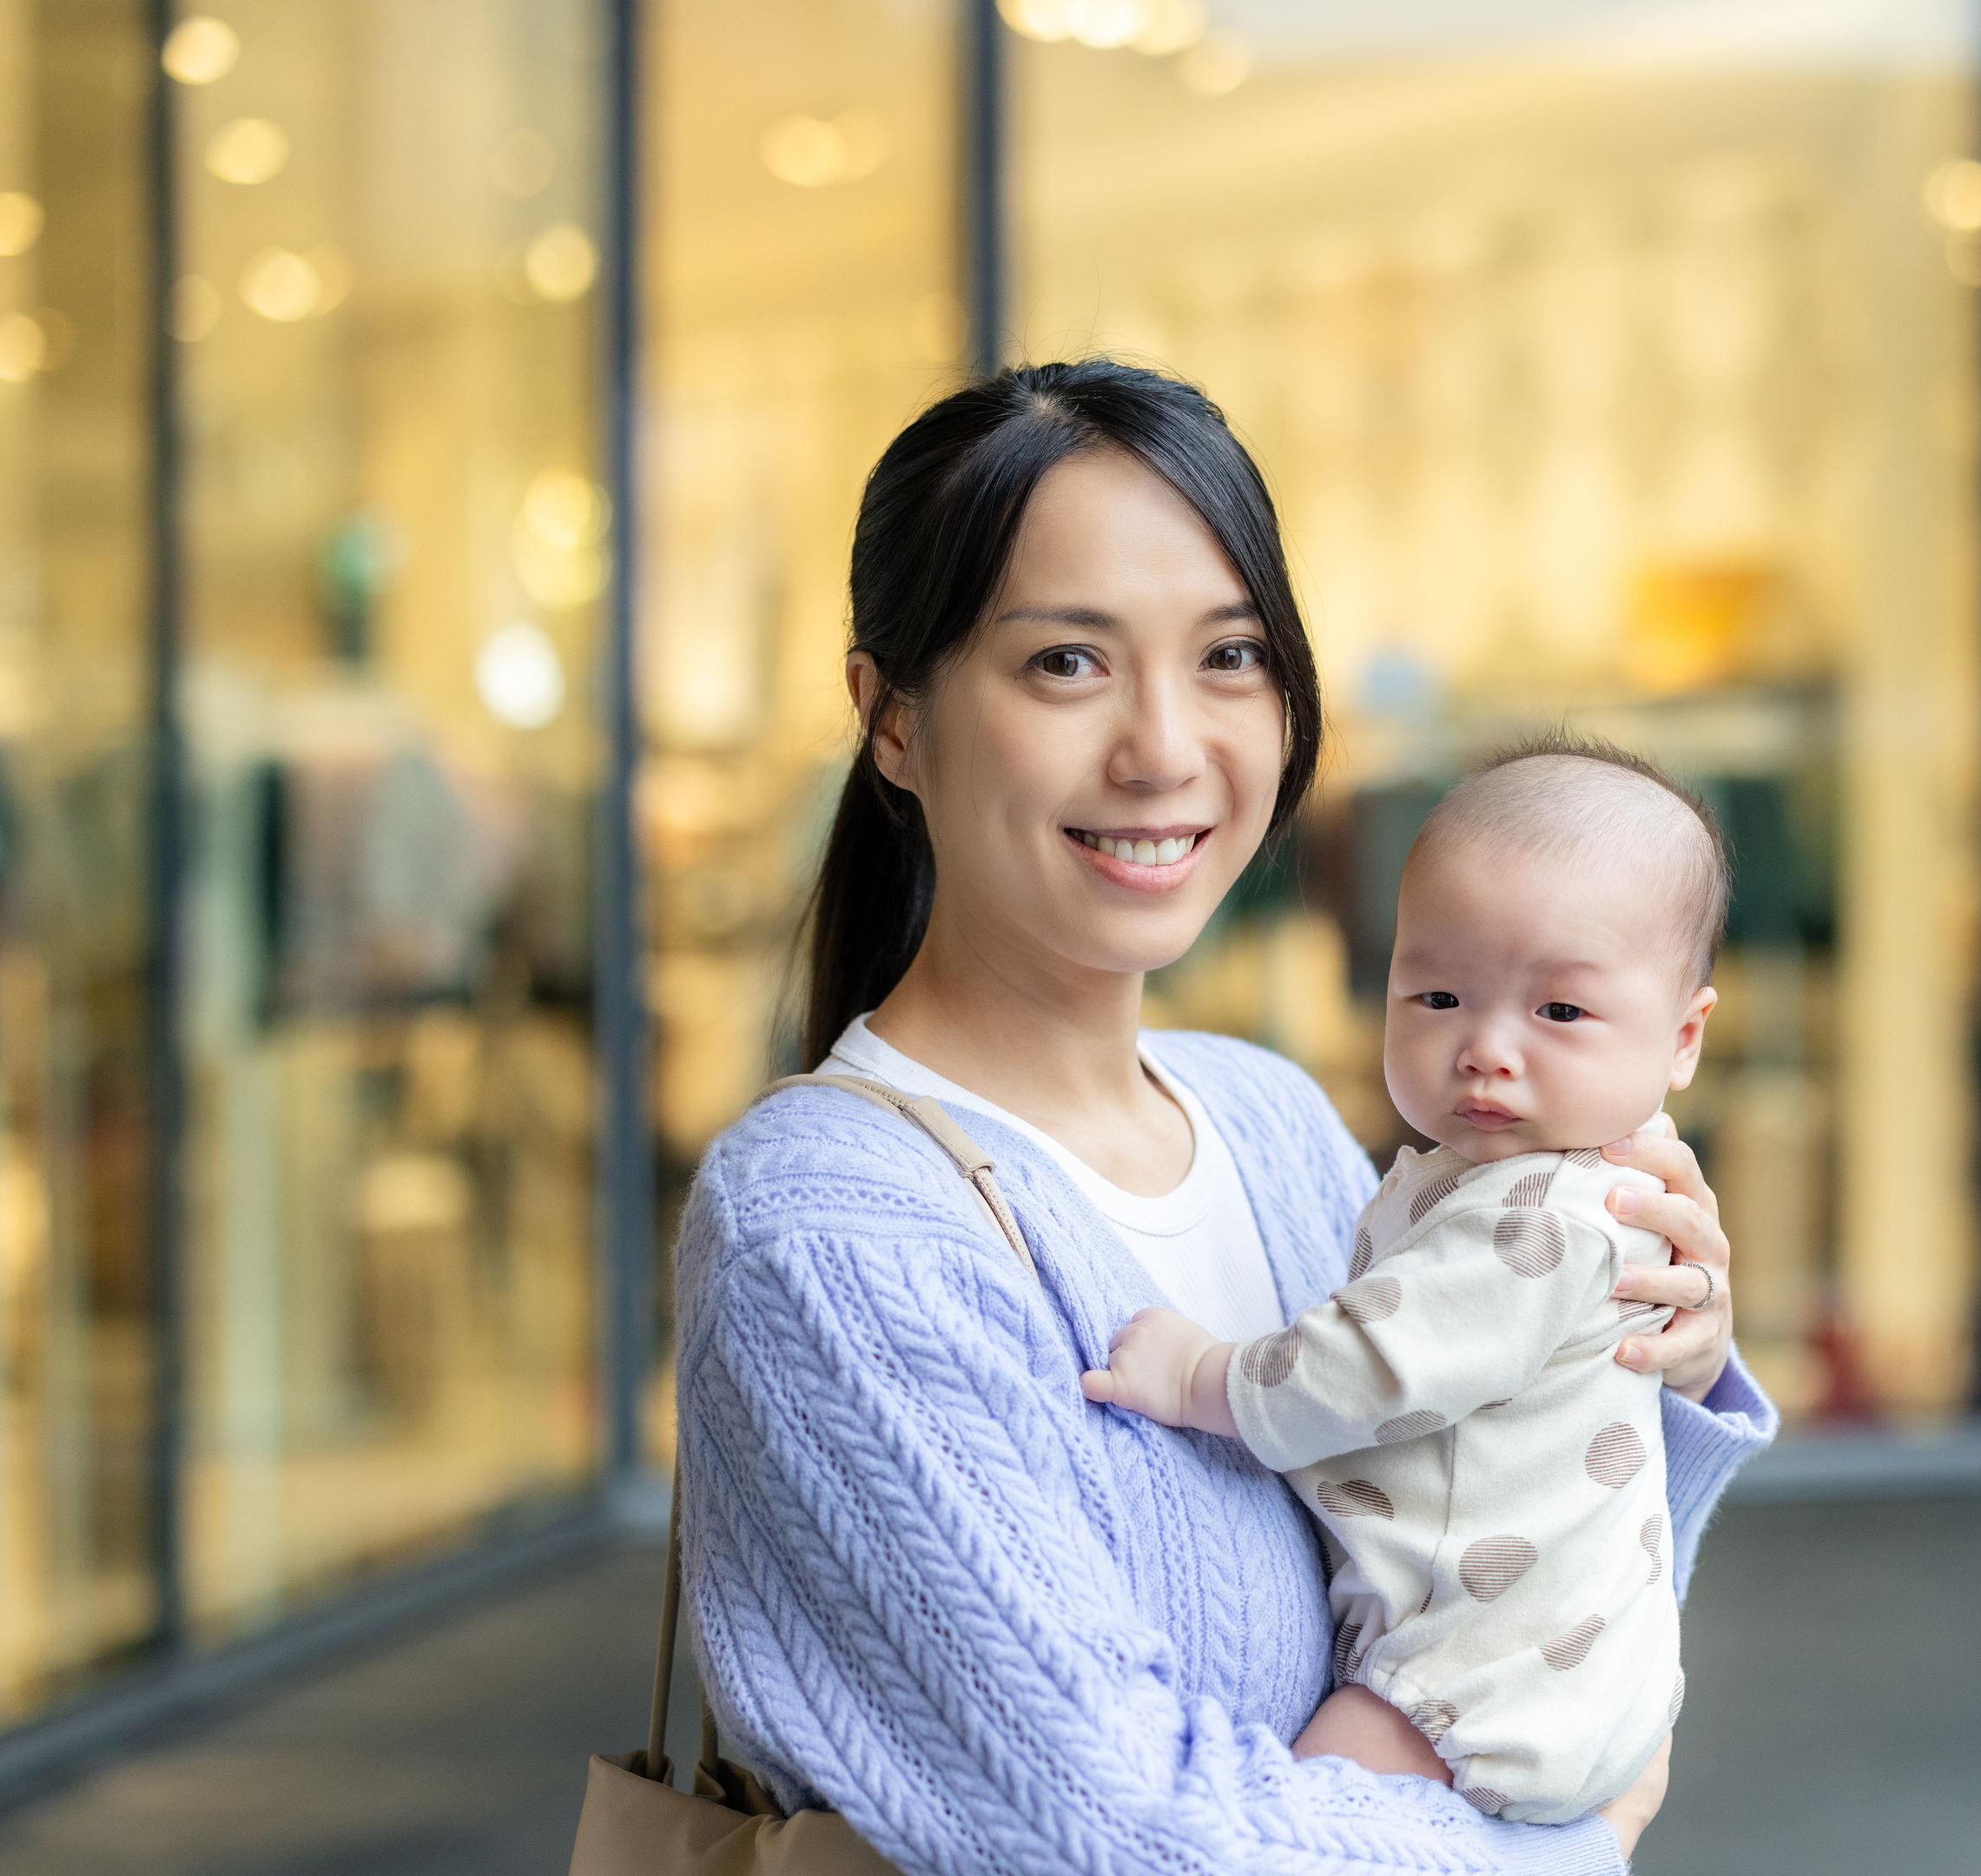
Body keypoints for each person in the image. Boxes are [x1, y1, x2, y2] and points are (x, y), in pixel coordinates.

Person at [671, 360, 1779, 1875]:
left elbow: (1492, 1590)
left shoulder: (1270, 1119)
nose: (1166, 749)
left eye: (1231, 656)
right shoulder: (829, 1226)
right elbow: (1118, 1833)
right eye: (1066, 662)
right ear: (893, 721)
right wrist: (1571, 1852)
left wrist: (1645, 1348)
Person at [1081, 739, 1733, 1826]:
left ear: (1684, 1037)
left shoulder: (1538, 1218)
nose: (1485, 1048)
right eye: (1436, 994)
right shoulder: (1537, 1180)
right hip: (1566, 1675)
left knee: (1302, 1823)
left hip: (1468, 1685)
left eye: (1559, 1013)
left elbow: (1371, 1367)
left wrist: (1203, 1376)